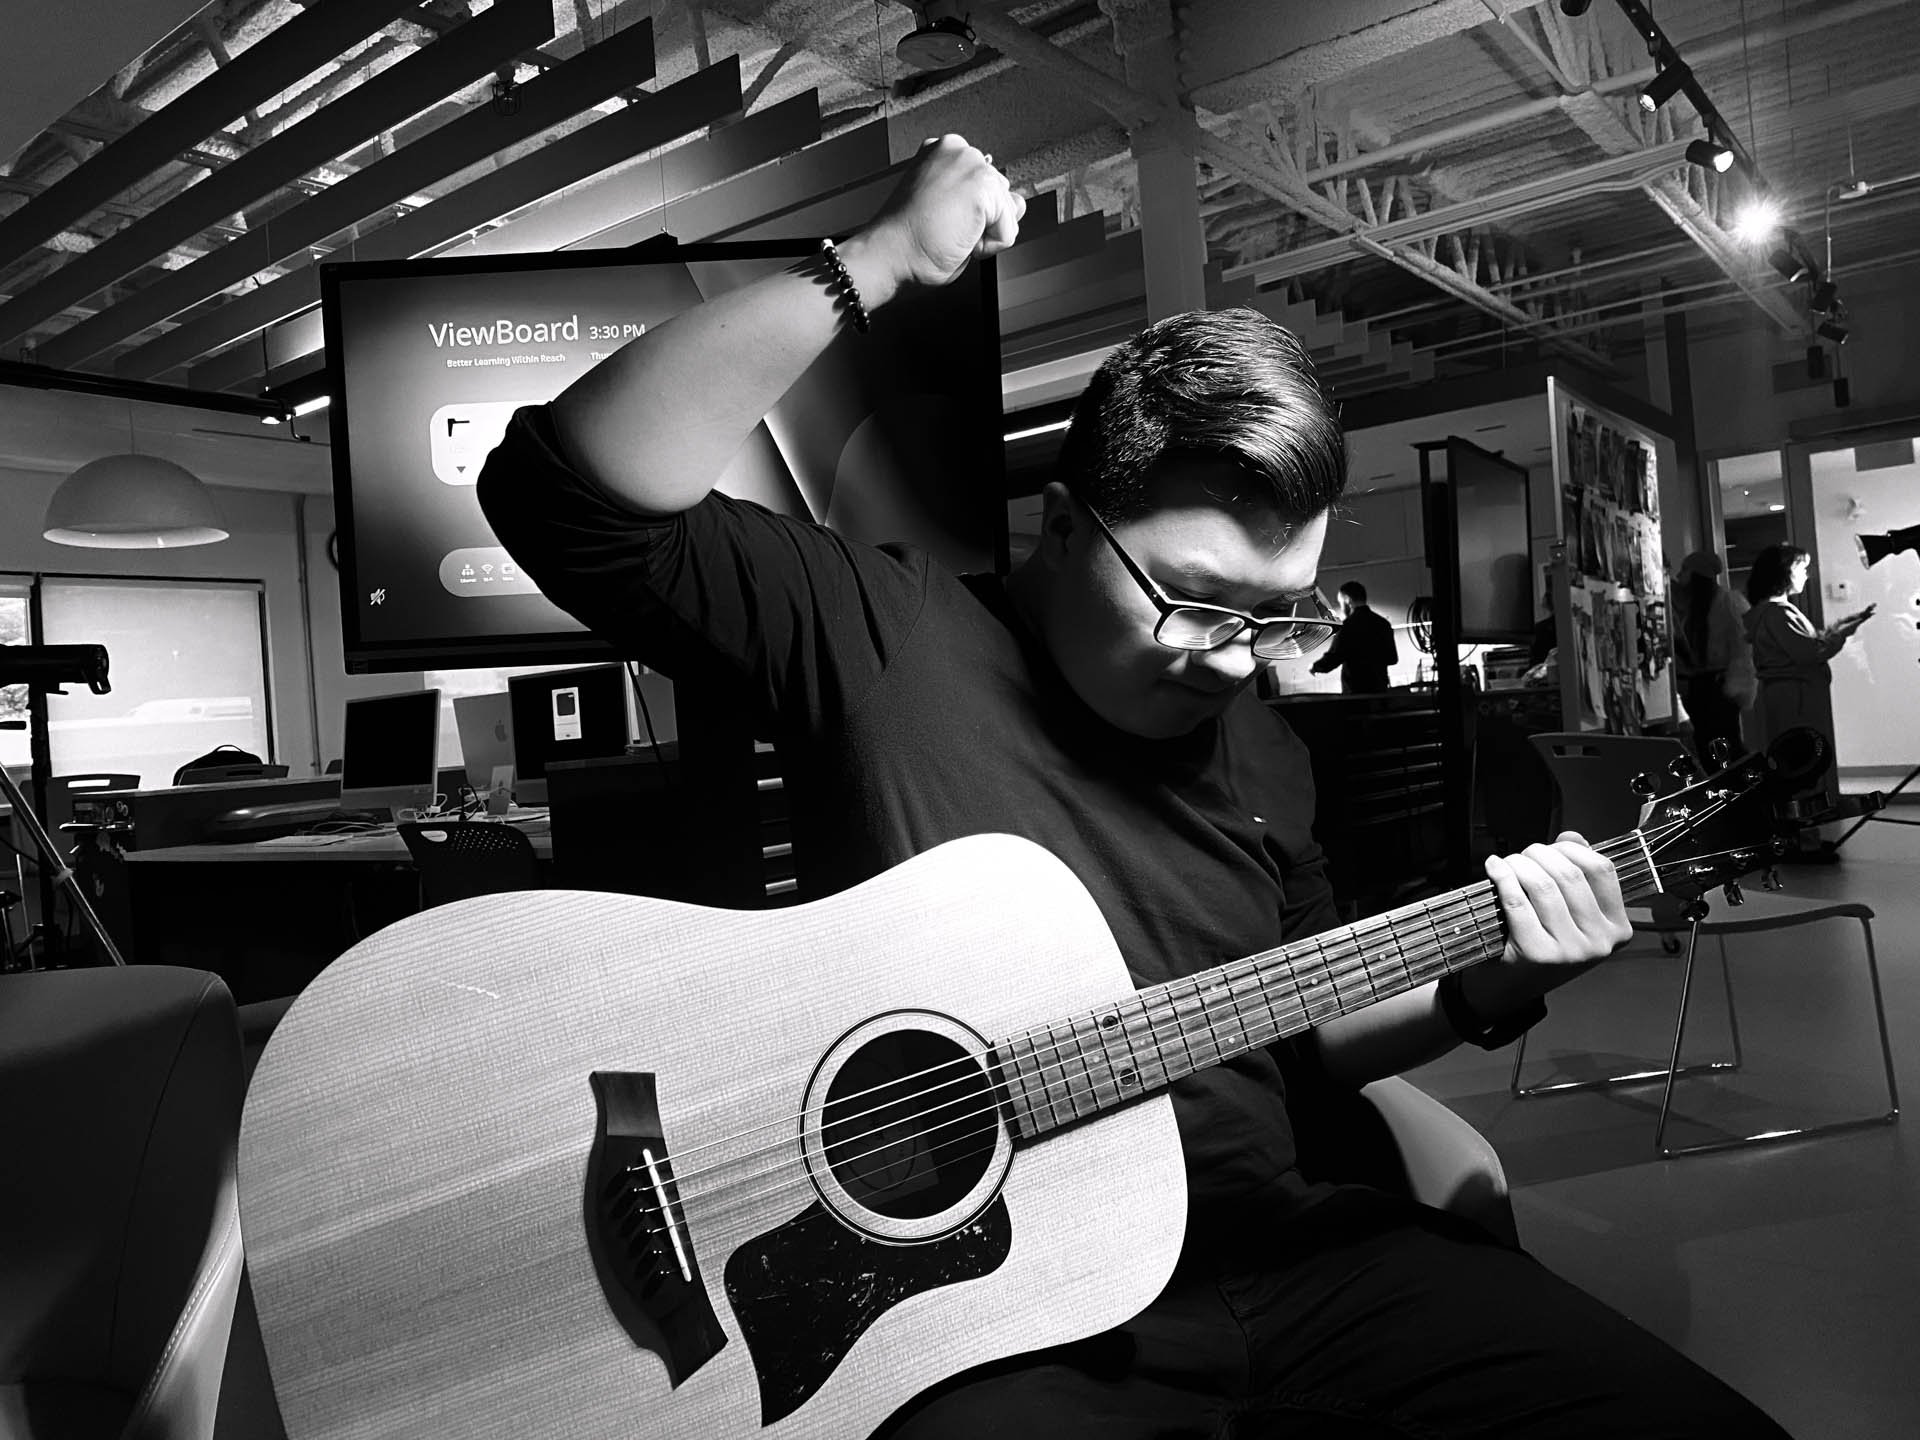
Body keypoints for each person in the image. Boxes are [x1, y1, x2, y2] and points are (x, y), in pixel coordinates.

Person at [479, 135, 1788, 1438]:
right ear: (1063, 526)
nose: (1234, 658)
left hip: (1278, 1256)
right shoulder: (883, 634)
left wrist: (1487, 985)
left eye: (1278, 614)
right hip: (981, 1325)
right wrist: (871, 264)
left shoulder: (1266, 750)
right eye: (1196, 601)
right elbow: (562, 495)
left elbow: (1309, 1038)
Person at [1744, 543, 1873, 859]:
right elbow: (1809, 651)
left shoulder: (1770, 612)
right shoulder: (1778, 613)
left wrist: (1841, 627)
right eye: (1801, 568)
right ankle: (1802, 843)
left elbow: (1805, 644)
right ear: (1783, 573)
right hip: (1796, 698)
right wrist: (1840, 635)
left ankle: (1800, 840)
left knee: (1793, 766)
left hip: (1788, 695)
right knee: (1803, 766)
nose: (1806, 575)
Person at [1670, 550, 1749, 765]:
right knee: (1706, 749)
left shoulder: (1729, 602)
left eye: (1685, 570)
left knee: (1723, 748)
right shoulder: (1693, 606)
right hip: (1699, 688)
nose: (1680, 575)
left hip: (1718, 687)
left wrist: (1734, 689)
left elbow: (1743, 650)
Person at [1308, 580, 1397, 692]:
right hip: (1380, 692)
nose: (1342, 608)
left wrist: (1314, 667)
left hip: (1356, 694)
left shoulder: (1347, 627)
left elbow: (1333, 658)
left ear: (1347, 600)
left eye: (1341, 603)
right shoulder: (1383, 624)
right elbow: (1392, 658)